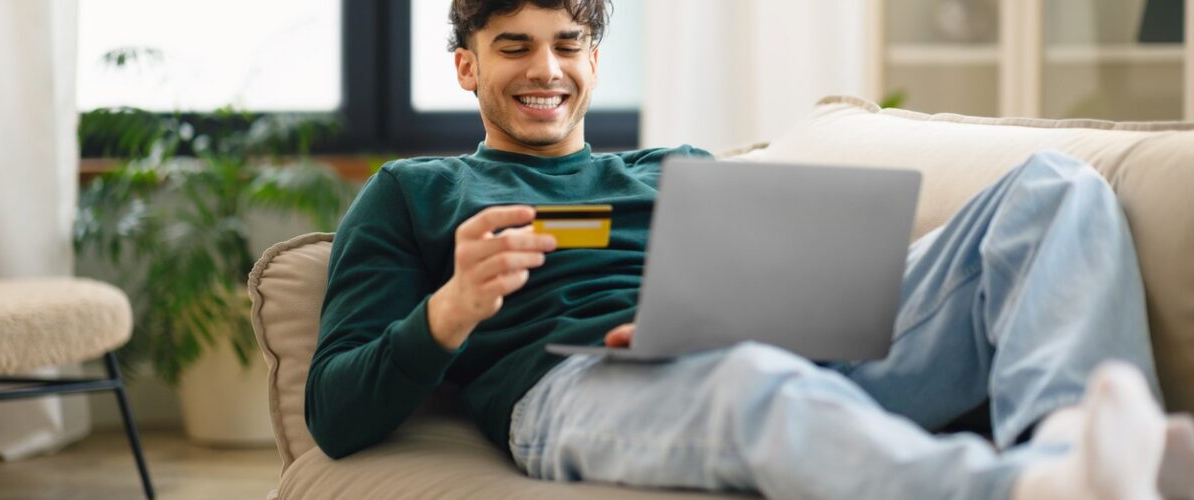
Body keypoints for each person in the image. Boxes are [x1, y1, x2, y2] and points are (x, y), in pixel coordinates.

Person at [306, 1, 1194, 498]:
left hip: (790, 345)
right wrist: (450, 311)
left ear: (594, 58)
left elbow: (785, 285)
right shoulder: (415, 192)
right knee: (746, 381)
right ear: (467, 66)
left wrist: (789, 301)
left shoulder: (679, 168)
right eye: (514, 48)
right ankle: (1033, 492)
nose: (547, 70)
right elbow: (336, 411)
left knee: (1054, 187)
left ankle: (1080, 444)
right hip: (574, 388)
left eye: (568, 45)